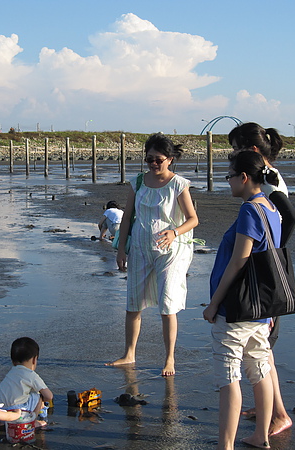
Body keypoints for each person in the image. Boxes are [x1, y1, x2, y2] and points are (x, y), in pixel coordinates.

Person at [203, 151, 282, 449]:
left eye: (229, 176)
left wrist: (214, 304)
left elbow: (239, 261)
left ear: (244, 177)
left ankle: (226, 444)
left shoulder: (250, 210)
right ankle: (261, 435)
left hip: (236, 308)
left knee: (229, 374)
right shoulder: (272, 210)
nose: (228, 182)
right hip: (261, 309)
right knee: (259, 369)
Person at [107, 133, 199, 377]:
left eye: (159, 160)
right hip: (139, 248)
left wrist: (174, 232)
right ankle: (129, 353)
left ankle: (169, 359)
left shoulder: (179, 184)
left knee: (167, 305)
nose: (154, 164)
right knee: (133, 303)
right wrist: (120, 249)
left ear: (169, 159)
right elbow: (127, 217)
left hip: (171, 252)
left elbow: (193, 219)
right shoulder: (137, 182)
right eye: (149, 160)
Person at [228, 122, 294, 437]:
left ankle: (279, 414)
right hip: (267, 275)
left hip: (266, 279)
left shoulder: (267, 182)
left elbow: (288, 217)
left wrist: (272, 256)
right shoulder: (268, 176)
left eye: (235, 148)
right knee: (261, 348)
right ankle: (265, 405)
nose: (232, 154)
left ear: (251, 150)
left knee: (263, 349)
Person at [0, 337, 53, 427]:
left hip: (1, 412)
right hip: (19, 413)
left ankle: (3, 423)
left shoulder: (10, 373)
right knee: (38, 395)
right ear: (34, 360)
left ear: (12, 361)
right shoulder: (31, 374)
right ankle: (32, 421)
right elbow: (49, 396)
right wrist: (42, 401)